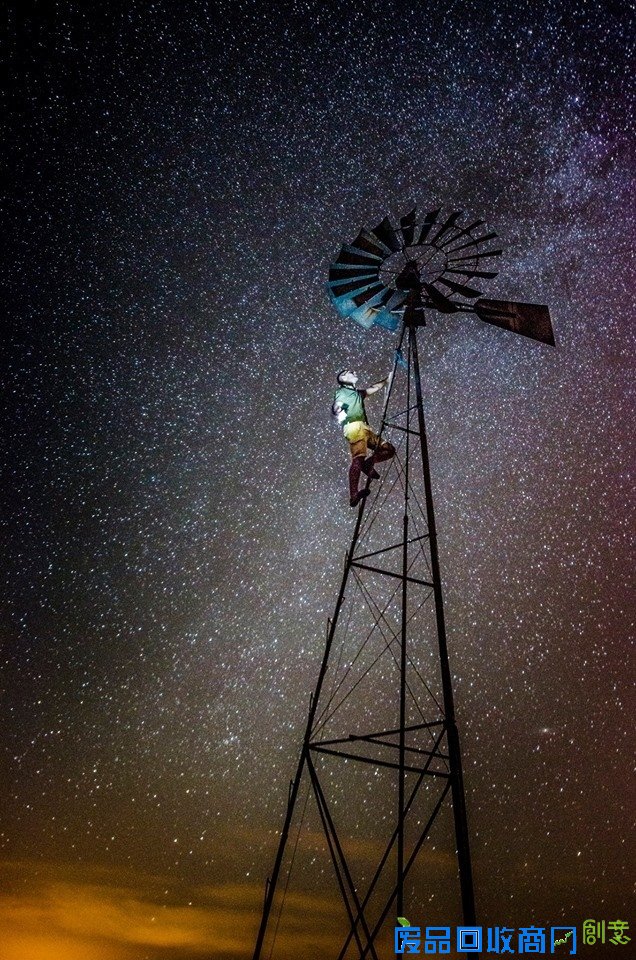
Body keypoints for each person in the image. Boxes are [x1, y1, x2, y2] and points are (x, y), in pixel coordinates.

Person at [332, 369, 395, 507]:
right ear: (343, 378)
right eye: (349, 372)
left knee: (389, 450)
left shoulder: (357, 393)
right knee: (358, 459)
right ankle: (353, 495)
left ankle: (369, 464)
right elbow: (337, 406)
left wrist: (387, 380)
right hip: (354, 427)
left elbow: (373, 388)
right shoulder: (342, 392)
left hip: (365, 429)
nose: (354, 372)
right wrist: (337, 410)